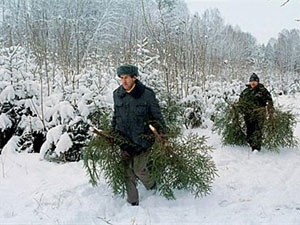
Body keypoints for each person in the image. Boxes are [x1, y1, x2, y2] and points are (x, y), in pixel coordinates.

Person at [111, 64, 167, 206]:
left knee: (139, 169)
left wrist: (163, 135)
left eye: (127, 78)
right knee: (127, 172)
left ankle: (152, 186)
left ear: (134, 78)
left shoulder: (146, 94)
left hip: (143, 140)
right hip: (124, 140)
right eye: (121, 78)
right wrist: (112, 133)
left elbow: (157, 116)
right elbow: (116, 116)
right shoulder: (117, 94)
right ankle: (133, 201)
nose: (124, 81)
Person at [238, 73, 274, 152]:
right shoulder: (245, 91)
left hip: (259, 114)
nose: (253, 83)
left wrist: (270, 111)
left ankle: (256, 148)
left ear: (257, 82)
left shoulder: (262, 90)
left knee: (257, 130)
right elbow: (241, 101)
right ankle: (250, 143)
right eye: (251, 81)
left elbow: (269, 101)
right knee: (249, 129)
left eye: (254, 81)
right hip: (248, 114)